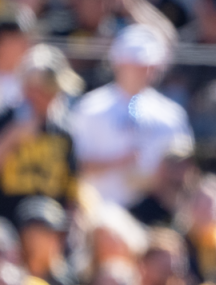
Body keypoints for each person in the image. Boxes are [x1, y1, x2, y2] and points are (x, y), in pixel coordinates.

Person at [70, 24, 192, 208]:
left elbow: (186, 167)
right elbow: (75, 165)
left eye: (150, 65)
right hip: (101, 212)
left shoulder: (171, 114)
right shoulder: (90, 109)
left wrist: (160, 176)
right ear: (118, 63)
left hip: (155, 213)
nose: (145, 71)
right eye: (138, 64)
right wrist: (118, 162)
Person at [0, 45, 81, 225]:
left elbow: (71, 189)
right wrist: (12, 138)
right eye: (34, 88)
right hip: (6, 224)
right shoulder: (5, 120)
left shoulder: (63, 131)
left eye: (47, 89)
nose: (40, 96)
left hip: (48, 227)